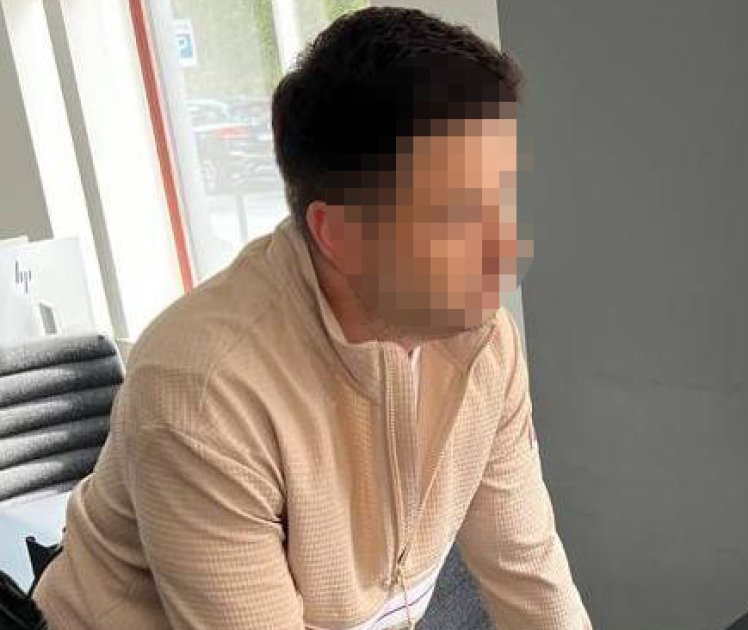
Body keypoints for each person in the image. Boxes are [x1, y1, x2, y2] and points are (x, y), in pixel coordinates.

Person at [31, 7, 592, 629]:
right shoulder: (205, 390)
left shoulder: (482, 345)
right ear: (340, 235)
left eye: (501, 197)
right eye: (458, 212)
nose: (502, 245)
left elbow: (530, 574)